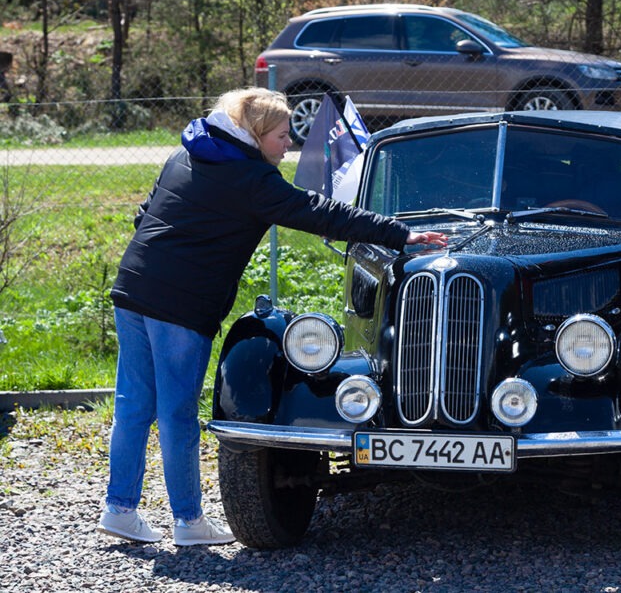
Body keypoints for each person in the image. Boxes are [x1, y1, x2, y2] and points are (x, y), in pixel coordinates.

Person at [98, 87, 447, 546]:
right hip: (180, 303)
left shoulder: (183, 156)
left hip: (133, 287)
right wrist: (402, 234)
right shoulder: (251, 181)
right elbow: (321, 213)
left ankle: (119, 509)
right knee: (178, 412)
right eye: (283, 136)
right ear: (256, 136)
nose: (289, 145)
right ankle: (188, 522)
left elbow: (147, 214)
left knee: (134, 405)